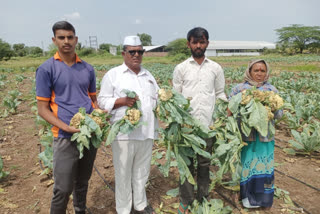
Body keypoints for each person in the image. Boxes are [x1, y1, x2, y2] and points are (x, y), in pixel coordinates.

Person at [36, 21, 98, 214]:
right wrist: (66, 127)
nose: (66, 41)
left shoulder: (87, 69)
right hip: (64, 135)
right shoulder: (47, 69)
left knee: (82, 181)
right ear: (54, 40)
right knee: (62, 188)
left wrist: (98, 118)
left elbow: (93, 102)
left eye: (70, 37)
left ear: (76, 40)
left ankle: (80, 210)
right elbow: (42, 109)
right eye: (61, 37)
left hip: (88, 135)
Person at [98, 36, 158, 214]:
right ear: (124, 53)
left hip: (146, 132)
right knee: (123, 172)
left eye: (140, 51)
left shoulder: (148, 76)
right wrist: (121, 101)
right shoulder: (113, 75)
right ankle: (124, 209)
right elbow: (102, 101)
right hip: (124, 134)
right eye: (132, 52)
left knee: (142, 171)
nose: (136, 55)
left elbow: (156, 98)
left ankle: (140, 204)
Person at [172, 27, 227, 214]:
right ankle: (186, 200)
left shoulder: (215, 68)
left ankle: (203, 197)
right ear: (188, 44)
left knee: (204, 164)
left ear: (207, 44)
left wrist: (222, 117)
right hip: (186, 127)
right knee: (186, 165)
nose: (198, 45)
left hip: (207, 126)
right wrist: (179, 122)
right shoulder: (181, 68)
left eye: (202, 42)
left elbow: (220, 93)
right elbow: (175, 97)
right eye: (194, 42)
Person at [229, 59, 283, 209]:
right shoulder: (239, 89)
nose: (259, 74)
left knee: (264, 166)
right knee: (246, 165)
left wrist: (272, 108)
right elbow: (229, 111)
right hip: (245, 137)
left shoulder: (272, 90)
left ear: (266, 73)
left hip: (265, 136)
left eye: (262, 71)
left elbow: (279, 115)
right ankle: (245, 197)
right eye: (256, 70)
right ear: (249, 72)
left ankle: (263, 199)